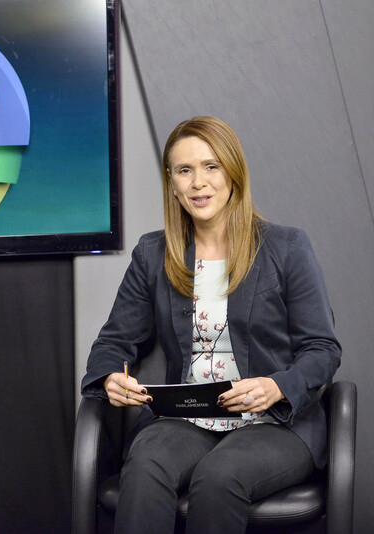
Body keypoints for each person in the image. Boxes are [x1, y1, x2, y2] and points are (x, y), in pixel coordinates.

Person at [81, 116, 341, 534]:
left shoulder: (287, 247)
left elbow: (323, 349)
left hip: (275, 423)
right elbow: (113, 342)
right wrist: (111, 376)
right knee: (146, 464)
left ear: (232, 173)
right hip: (187, 420)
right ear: (172, 182)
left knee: (220, 476)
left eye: (211, 167)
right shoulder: (152, 253)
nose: (198, 182)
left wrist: (276, 387)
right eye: (184, 170)